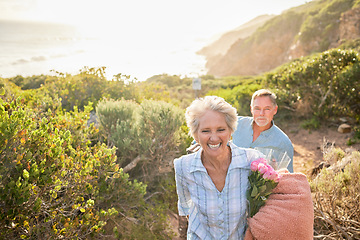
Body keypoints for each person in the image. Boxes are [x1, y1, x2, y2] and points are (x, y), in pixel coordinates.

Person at [174, 96, 265, 239]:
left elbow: (264, 209)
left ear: (230, 131)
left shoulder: (252, 161)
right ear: (195, 135)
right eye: (205, 131)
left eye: (221, 129)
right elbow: (186, 210)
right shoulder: (183, 167)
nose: (214, 138)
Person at [232, 89, 294, 172]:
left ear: (275, 110)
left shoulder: (283, 143)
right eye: (257, 108)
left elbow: (287, 178)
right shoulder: (236, 124)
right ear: (251, 109)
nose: (261, 113)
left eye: (267, 109)